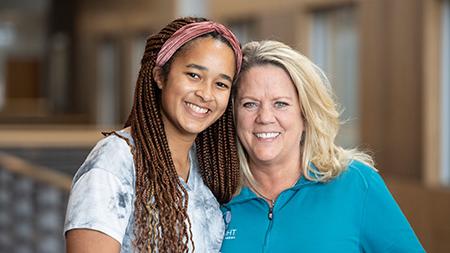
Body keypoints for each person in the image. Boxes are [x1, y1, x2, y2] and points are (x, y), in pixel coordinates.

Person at [220, 40, 425, 252]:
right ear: (233, 114)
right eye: (250, 104)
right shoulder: (218, 196)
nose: (264, 117)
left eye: (280, 104)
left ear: (306, 114)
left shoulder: (355, 184)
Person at [64, 17, 242, 253]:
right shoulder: (115, 160)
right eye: (193, 75)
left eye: (221, 84)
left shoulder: (208, 167)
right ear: (160, 76)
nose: (206, 94)